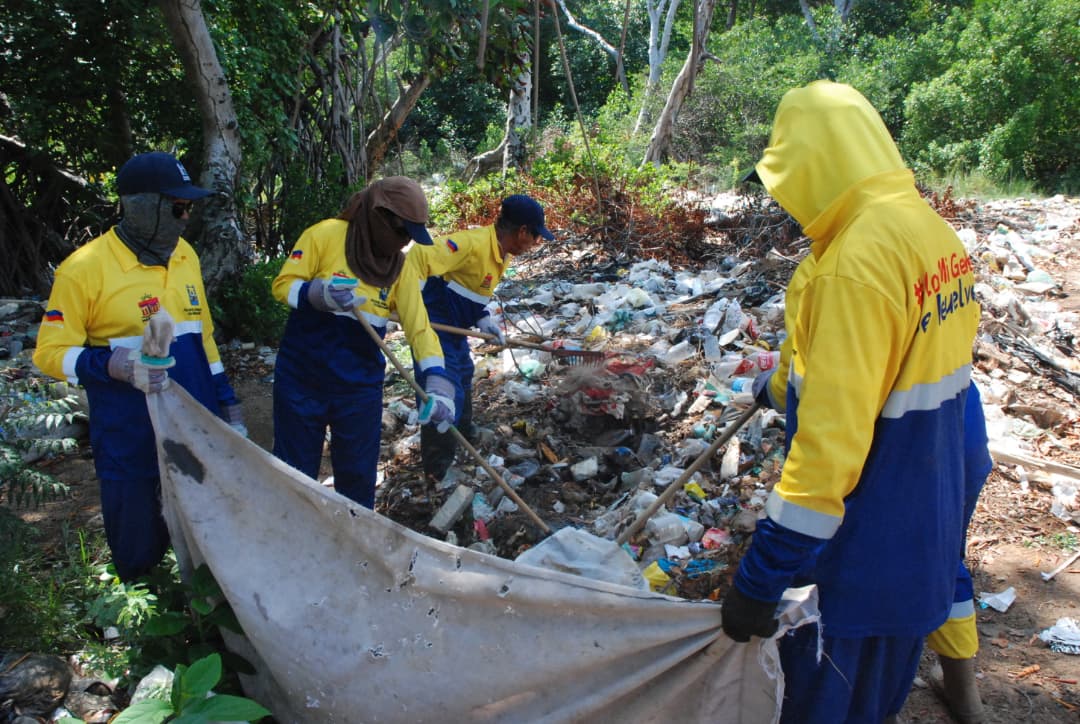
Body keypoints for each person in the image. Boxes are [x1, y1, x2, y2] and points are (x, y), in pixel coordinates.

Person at [719, 80, 982, 723]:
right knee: (882, 692)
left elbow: (831, 448)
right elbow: (880, 370)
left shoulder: (853, 263)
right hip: (932, 510)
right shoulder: (930, 232)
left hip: (868, 543)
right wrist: (774, 389)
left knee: (831, 701)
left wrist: (762, 578)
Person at [753, 253, 990, 723]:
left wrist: (767, 387)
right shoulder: (927, 246)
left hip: (895, 451)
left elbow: (814, 392)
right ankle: (965, 698)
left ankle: (857, 698)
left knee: (848, 587)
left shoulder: (831, 273)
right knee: (940, 560)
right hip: (956, 430)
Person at [34, 151, 245, 582]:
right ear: (144, 206)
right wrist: (111, 364)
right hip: (128, 430)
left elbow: (203, 336)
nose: (186, 219)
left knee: (204, 524)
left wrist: (229, 405)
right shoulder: (84, 270)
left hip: (193, 423)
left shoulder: (184, 255)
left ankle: (202, 614)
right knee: (138, 535)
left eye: (189, 208)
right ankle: (146, 621)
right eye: (178, 207)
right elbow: (48, 353)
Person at [271, 177, 451, 508]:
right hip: (302, 379)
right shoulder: (325, 236)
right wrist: (317, 293)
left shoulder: (398, 269)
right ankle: (291, 544)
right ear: (378, 216)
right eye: (400, 233)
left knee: (357, 479)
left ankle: (354, 550)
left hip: (358, 389)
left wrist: (439, 382)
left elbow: (419, 327)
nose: (402, 244)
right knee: (293, 473)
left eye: (409, 237)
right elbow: (282, 285)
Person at [402, 194, 554, 481]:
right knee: (443, 393)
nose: (536, 244)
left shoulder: (502, 254)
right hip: (434, 329)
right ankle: (439, 469)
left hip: (456, 328)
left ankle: (465, 434)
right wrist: (409, 305)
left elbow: (472, 290)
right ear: (522, 231)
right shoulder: (470, 244)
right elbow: (419, 256)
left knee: (463, 376)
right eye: (535, 236)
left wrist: (483, 318)